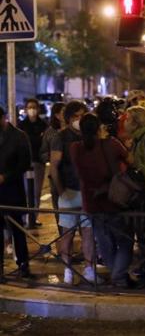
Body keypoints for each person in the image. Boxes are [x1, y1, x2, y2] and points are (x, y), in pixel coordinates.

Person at [70, 114, 135, 288]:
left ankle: (116, 275)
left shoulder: (75, 148)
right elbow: (130, 160)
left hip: (91, 203)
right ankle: (118, 276)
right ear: (99, 128)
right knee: (125, 241)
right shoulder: (111, 144)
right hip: (114, 200)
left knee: (104, 242)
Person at [50, 100, 97, 284]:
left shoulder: (90, 136)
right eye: (75, 116)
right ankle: (68, 270)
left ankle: (89, 269)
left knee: (88, 233)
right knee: (67, 234)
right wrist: (61, 191)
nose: (79, 120)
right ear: (69, 118)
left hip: (87, 191)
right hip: (69, 191)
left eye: (82, 116)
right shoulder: (60, 137)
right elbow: (54, 167)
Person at [0, 107, 34, 280]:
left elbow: (25, 162)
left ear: (3, 118)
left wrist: (5, 176)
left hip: (13, 190)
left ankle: (23, 264)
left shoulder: (19, 136)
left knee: (17, 229)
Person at [124, 105, 145, 283]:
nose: (125, 123)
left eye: (128, 119)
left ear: (135, 122)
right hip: (143, 192)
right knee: (143, 231)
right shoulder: (137, 139)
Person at [18, 98, 48, 227]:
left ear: (38, 109)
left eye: (34, 107)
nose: (32, 110)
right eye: (29, 107)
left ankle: (33, 217)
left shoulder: (43, 125)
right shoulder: (21, 126)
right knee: (25, 191)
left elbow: (43, 143)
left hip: (38, 162)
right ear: (25, 109)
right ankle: (25, 218)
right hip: (25, 164)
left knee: (36, 192)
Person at [40, 102, 66, 234]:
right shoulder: (50, 132)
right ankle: (62, 235)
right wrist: (52, 156)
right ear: (56, 115)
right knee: (59, 208)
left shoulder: (73, 130)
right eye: (62, 112)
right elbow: (43, 152)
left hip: (72, 176)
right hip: (56, 174)